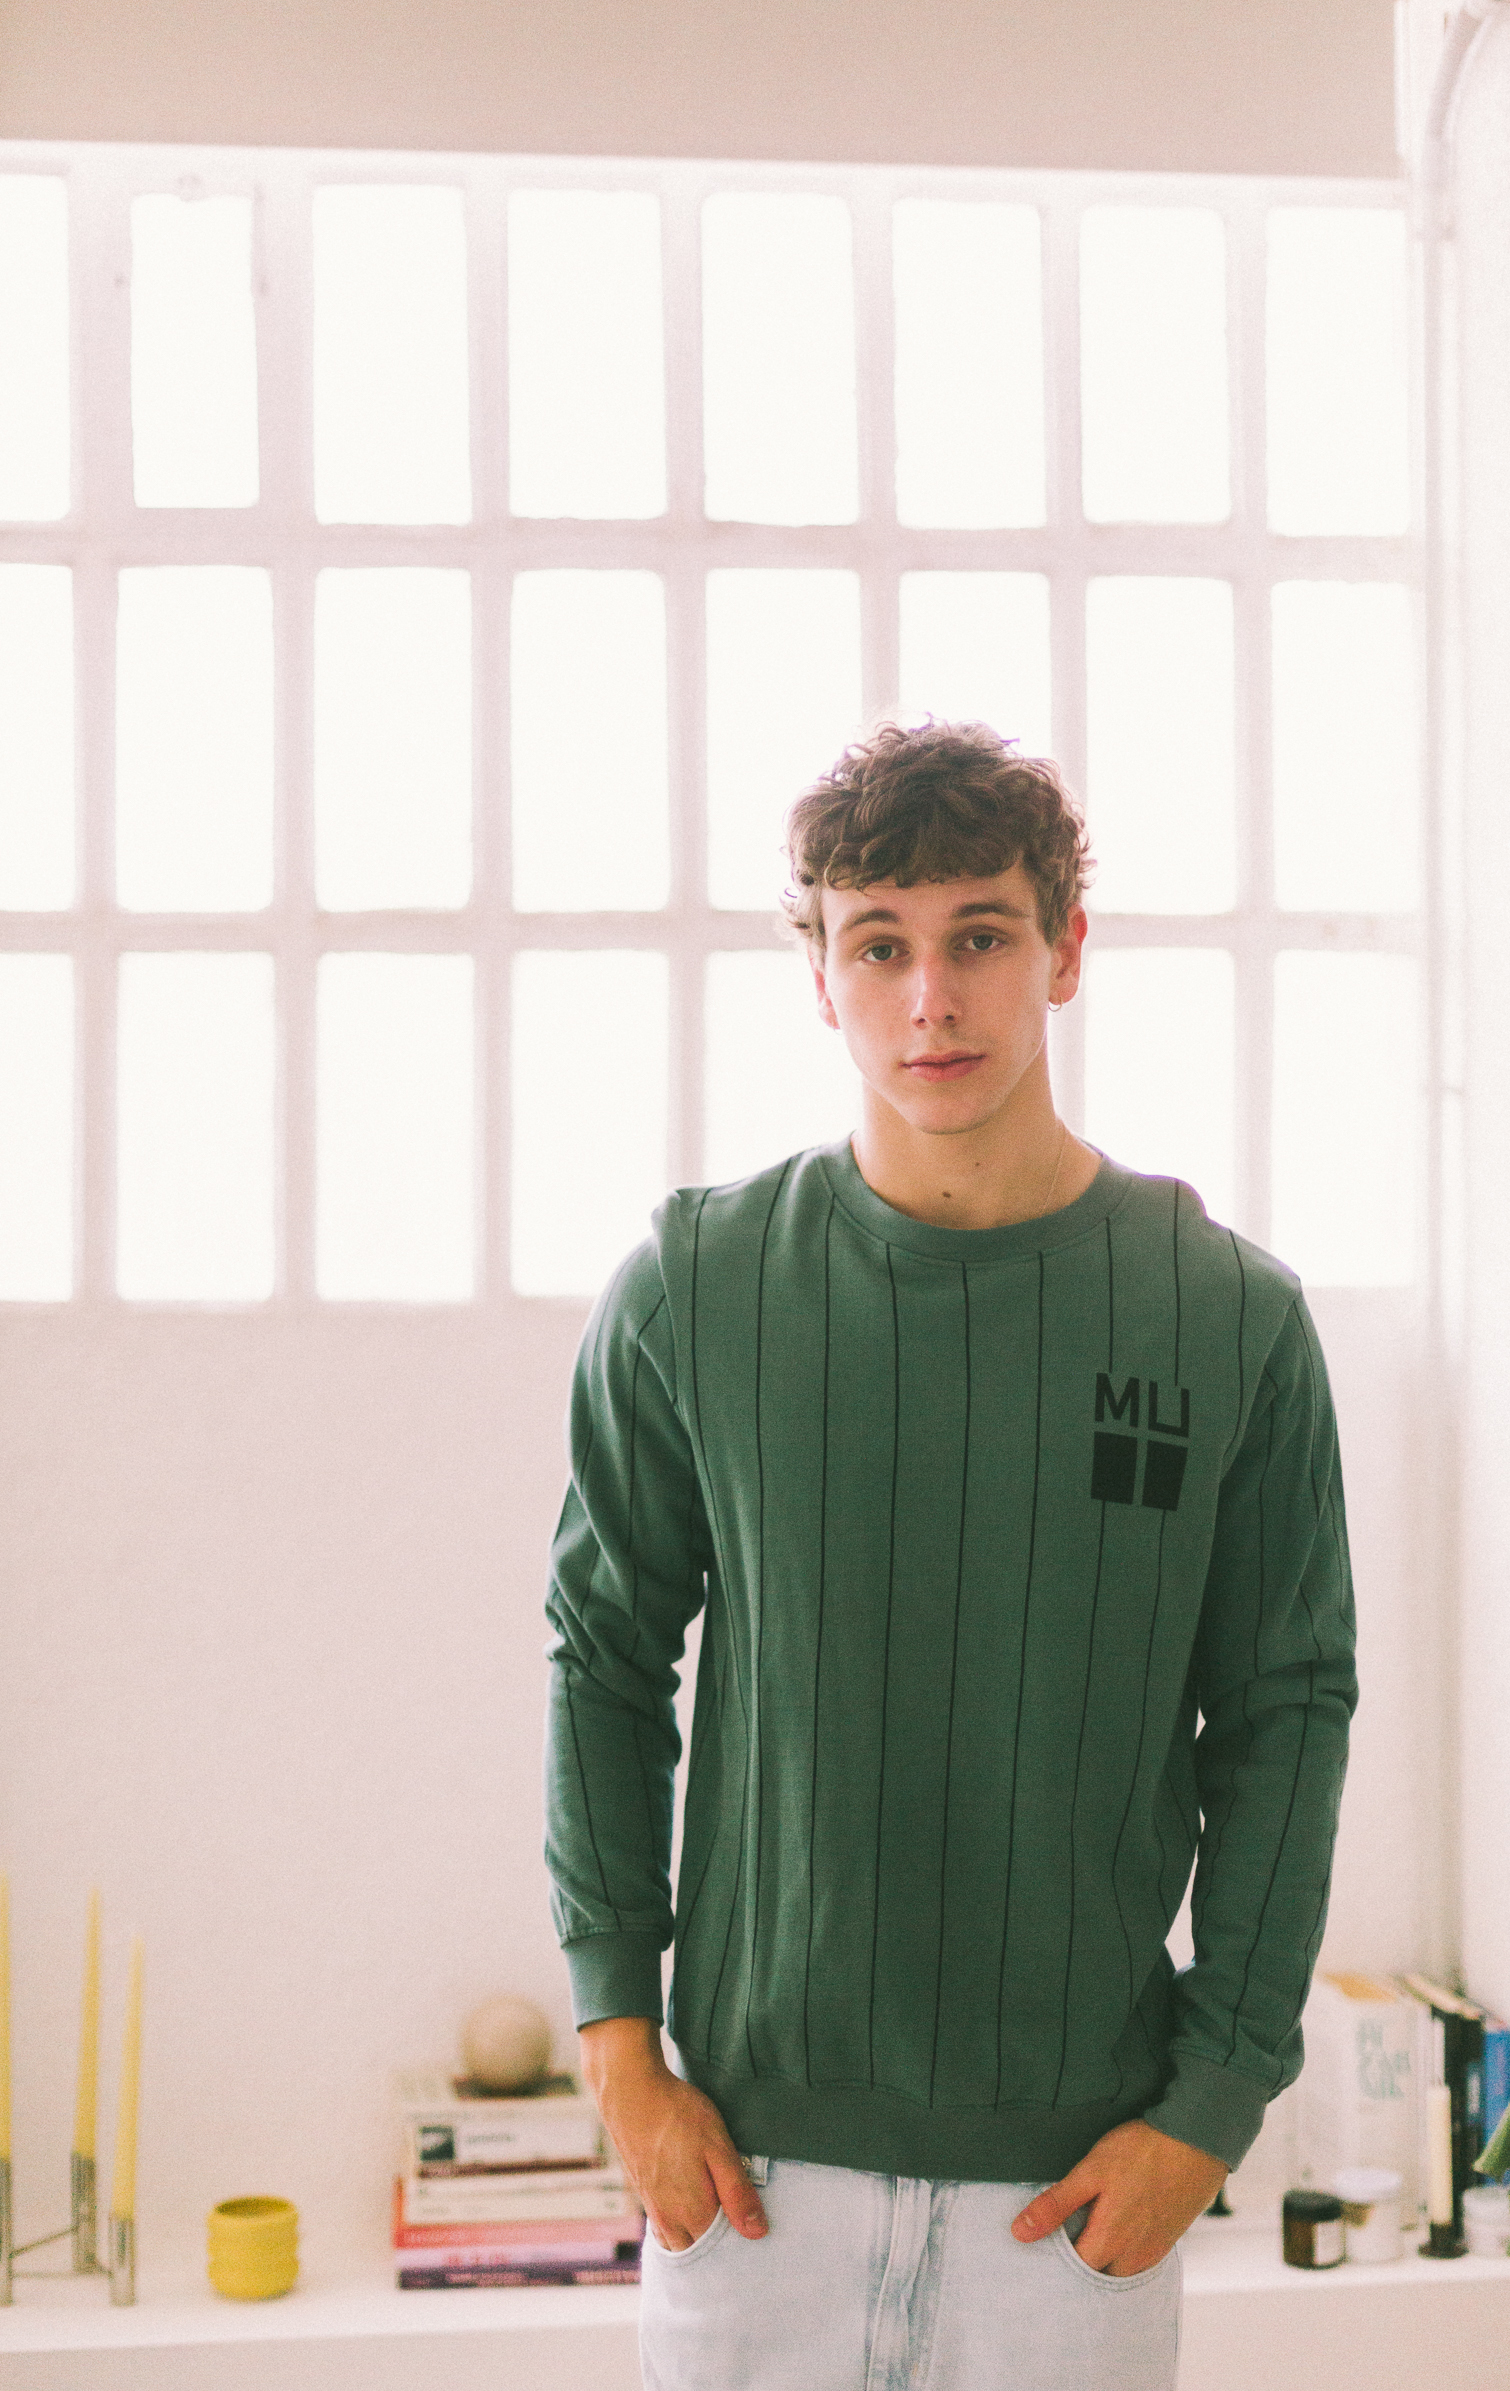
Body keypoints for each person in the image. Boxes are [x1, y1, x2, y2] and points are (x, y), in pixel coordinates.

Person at [543, 718, 1357, 2390]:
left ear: (1064, 950)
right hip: (748, 2186)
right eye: (879, 946)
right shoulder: (696, 1288)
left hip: (1073, 2201)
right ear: (819, 978)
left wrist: (1213, 2106)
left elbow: (1286, 1718)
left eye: (979, 937)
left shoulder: (1228, 1319)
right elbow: (603, 1659)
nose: (931, 999)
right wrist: (621, 2051)